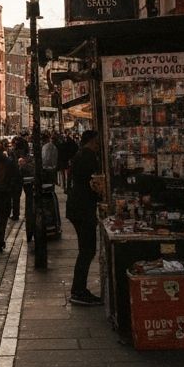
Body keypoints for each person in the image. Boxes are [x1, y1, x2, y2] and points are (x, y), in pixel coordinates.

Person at [66, 130, 103, 306]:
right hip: (82, 208)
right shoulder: (88, 157)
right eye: (96, 143)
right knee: (87, 250)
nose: (98, 146)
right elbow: (93, 182)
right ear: (91, 141)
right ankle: (78, 290)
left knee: (86, 250)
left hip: (77, 207)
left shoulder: (80, 155)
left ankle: (79, 289)